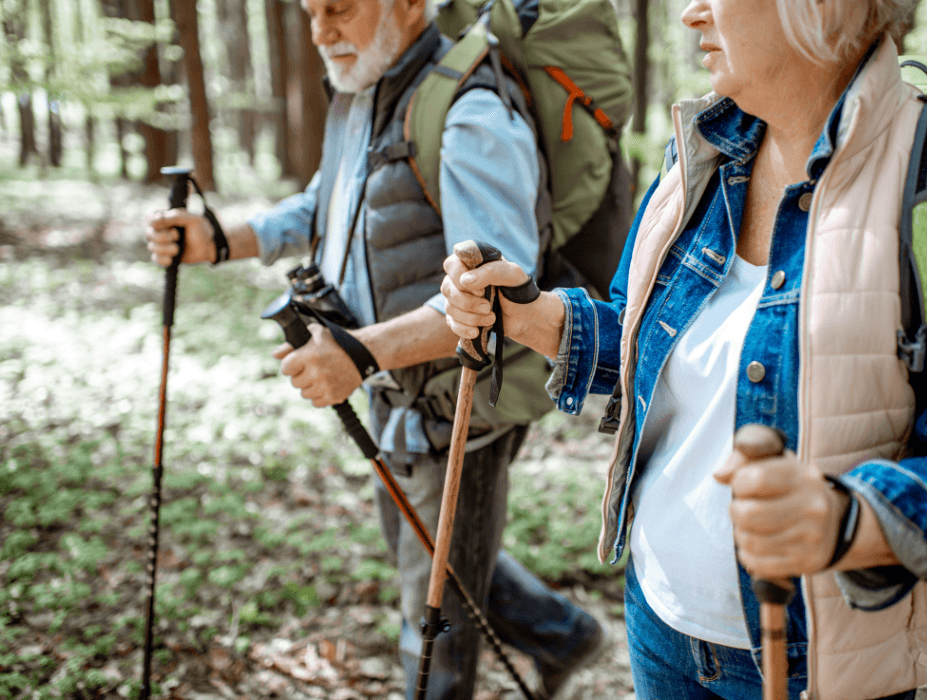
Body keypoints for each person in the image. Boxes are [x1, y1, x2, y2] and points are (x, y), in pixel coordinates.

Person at [440, 0, 927, 698]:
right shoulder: (701, 153)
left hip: (812, 659)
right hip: (659, 615)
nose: (690, 15)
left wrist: (847, 519)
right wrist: (530, 316)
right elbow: (657, 345)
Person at [145, 0, 605, 697]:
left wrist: (356, 353)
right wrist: (220, 239)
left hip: (459, 411)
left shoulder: (472, 111)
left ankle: (553, 638)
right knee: (427, 552)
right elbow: (329, 202)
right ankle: (563, 634)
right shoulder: (368, 90)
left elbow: (497, 300)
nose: (321, 29)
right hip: (397, 393)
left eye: (341, 9)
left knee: (432, 629)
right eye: (310, 11)